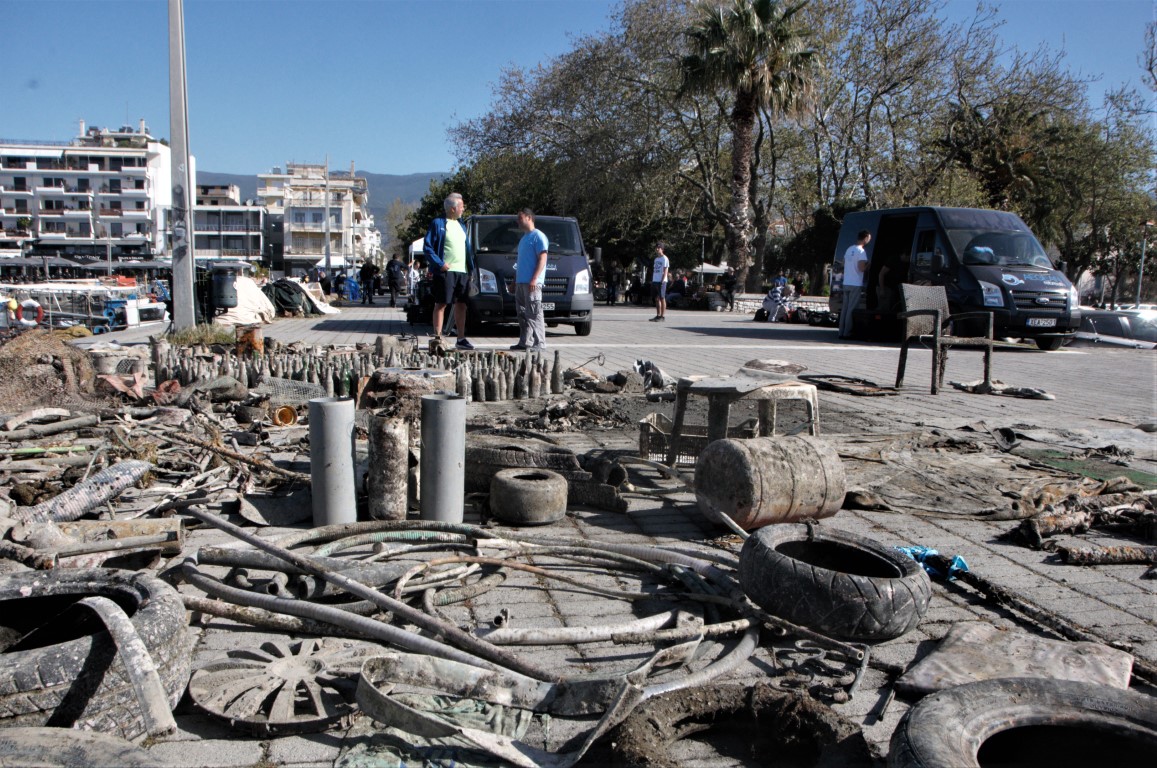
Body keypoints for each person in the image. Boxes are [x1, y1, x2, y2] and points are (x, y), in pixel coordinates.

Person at [423, 192, 475, 349]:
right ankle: (438, 337)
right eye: (461, 206)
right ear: (452, 208)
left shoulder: (461, 225)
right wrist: (439, 264)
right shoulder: (438, 223)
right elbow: (428, 247)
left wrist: (470, 268)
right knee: (441, 303)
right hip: (446, 271)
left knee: (462, 304)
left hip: (463, 271)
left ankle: (461, 338)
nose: (463, 209)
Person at [511, 208, 549, 351]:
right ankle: (525, 342)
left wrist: (534, 279)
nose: (518, 222)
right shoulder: (523, 239)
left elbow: (542, 258)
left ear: (528, 218)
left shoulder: (538, 236)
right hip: (521, 283)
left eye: (520, 218)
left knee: (534, 313)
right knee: (522, 314)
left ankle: (540, 343)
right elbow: (520, 262)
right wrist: (514, 281)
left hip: (532, 283)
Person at [840, 229, 871, 338]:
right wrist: (868, 265)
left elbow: (843, 263)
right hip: (856, 283)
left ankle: (841, 331)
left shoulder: (849, 249)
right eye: (869, 238)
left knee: (845, 308)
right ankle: (847, 333)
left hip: (846, 282)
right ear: (866, 238)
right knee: (851, 308)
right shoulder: (861, 251)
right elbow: (861, 268)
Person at [649, 242, 670, 322]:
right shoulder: (656, 259)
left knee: (662, 298)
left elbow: (665, 271)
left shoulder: (665, 258)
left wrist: (662, 280)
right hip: (655, 280)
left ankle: (662, 316)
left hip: (662, 281)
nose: (657, 249)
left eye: (659, 248)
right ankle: (658, 315)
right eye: (656, 248)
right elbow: (655, 270)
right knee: (656, 298)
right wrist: (653, 280)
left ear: (662, 249)